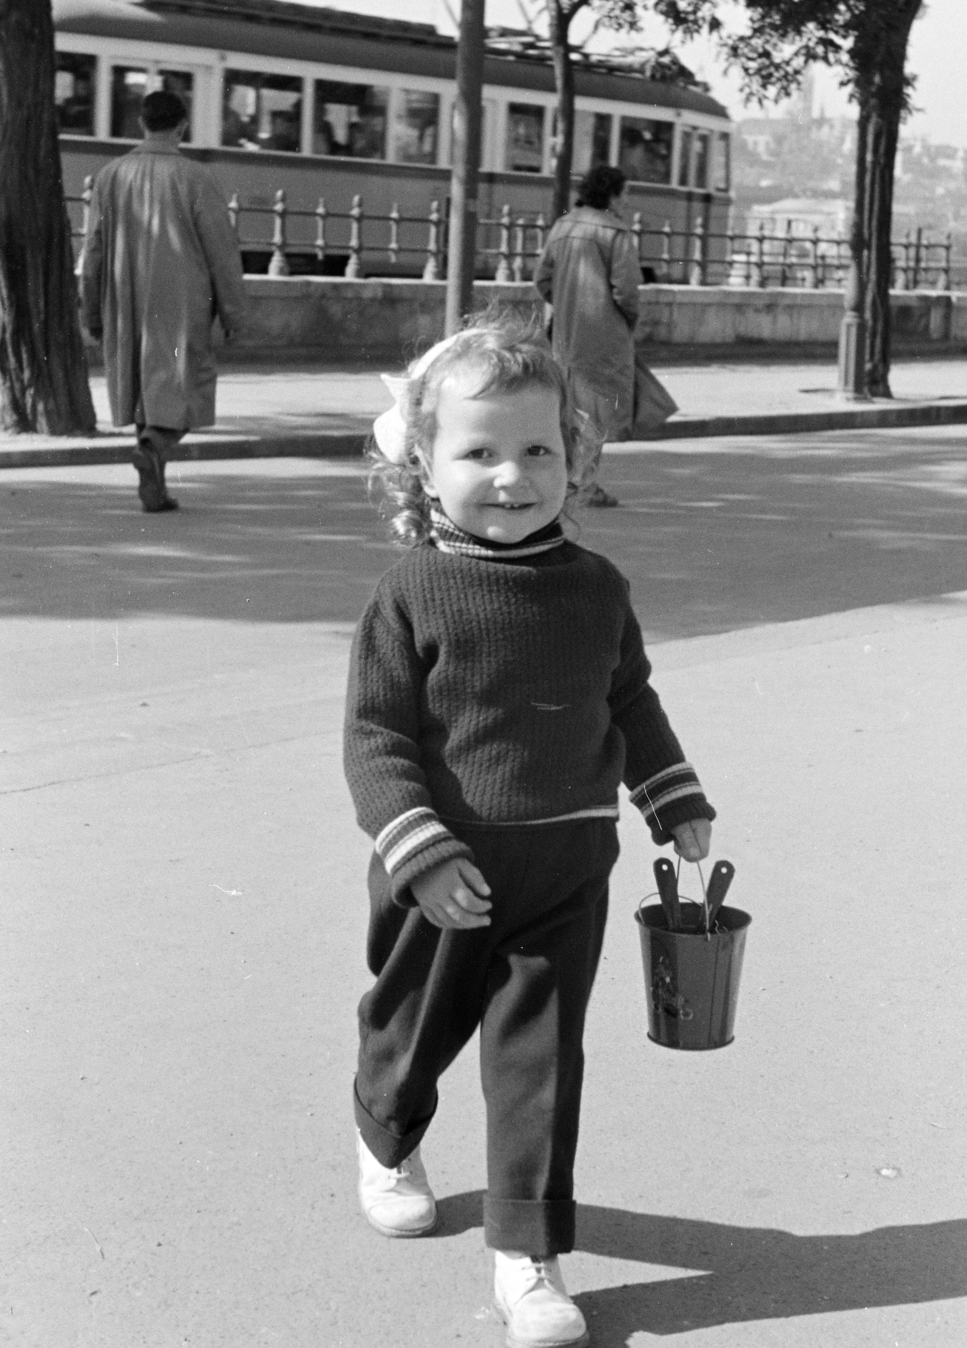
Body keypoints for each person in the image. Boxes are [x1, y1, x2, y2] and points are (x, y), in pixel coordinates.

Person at [344, 310, 717, 1348]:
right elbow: (374, 738)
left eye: (537, 449)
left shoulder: (596, 588)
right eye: (478, 452)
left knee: (539, 1059)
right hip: (441, 870)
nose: (511, 475)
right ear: (421, 461)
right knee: (413, 1031)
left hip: (564, 869)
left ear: (574, 456)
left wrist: (672, 799)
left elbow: (628, 700)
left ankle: (526, 1251)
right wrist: (417, 851)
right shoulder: (412, 591)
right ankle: (385, 1127)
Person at [79, 89, 246, 512]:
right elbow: (221, 252)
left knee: (142, 389)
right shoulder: (196, 177)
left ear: (142, 123)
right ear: (182, 126)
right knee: (186, 387)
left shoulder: (110, 175)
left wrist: (90, 307)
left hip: (124, 300)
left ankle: (154, 485)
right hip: (182, 303)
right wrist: (233, 312)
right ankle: (153, 448)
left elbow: (93, 249)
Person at [533, 164, 643, 508]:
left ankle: (567, 482)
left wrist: (566, 303)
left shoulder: (564, 226)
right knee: (597, 412)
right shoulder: (616, 233)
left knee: (570, 408)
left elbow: (542, 278)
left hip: (567, 333)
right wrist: (627, 320)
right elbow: (627, 290)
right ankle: (585, 484)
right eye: (624, 192)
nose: (627, 200)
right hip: (605, 334)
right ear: (610, 193)